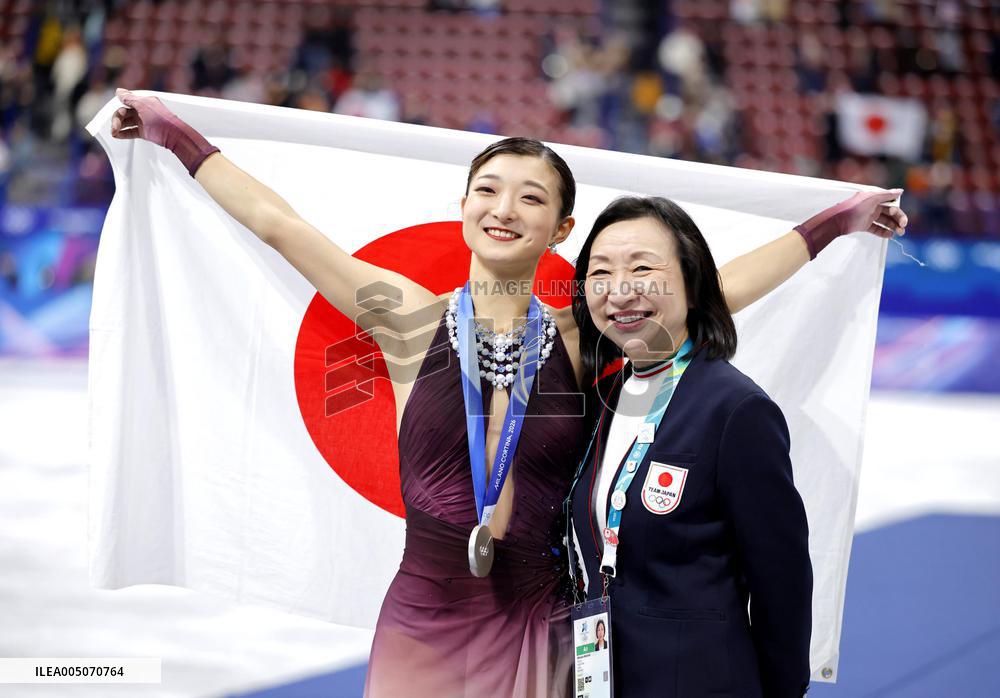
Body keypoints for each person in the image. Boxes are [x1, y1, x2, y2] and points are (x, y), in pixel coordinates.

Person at [108, 89, 906, 697]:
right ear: (461, 208)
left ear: (561, 229)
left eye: (532, 197)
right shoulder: (407, 323)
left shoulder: (583, 336)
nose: (504, 208)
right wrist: (178, 137)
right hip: (424, 616)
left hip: (542, 620)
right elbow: (283, 227)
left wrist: (834, 224)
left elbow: (711, 291)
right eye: (488, 190)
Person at [568, 196, 816, 697]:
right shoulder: (604, 398)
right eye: (601, 272)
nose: (620, 290)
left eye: (642, 268)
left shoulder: (735, 409)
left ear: (693, 281)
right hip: (603, 676)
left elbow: (782, 582)